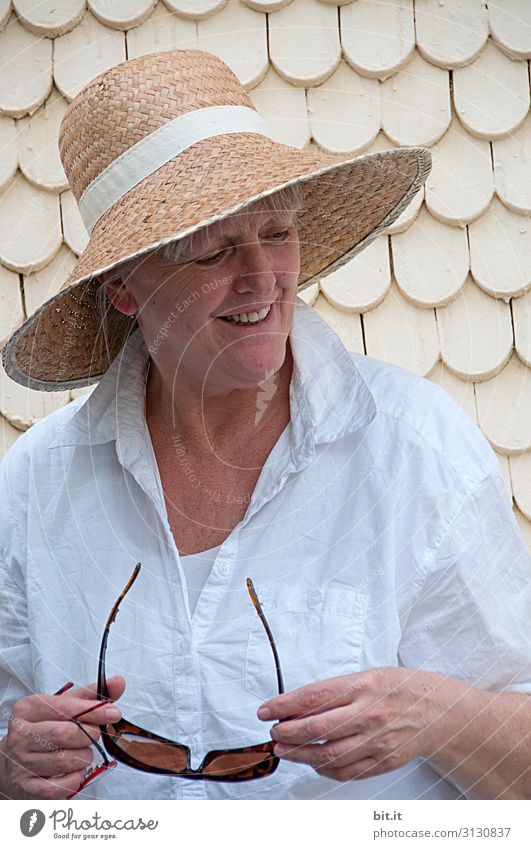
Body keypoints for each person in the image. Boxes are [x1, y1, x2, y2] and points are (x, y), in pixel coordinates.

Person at [0, 48, 530, 802]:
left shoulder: (413, 447)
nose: (261, 278)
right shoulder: (36, 485)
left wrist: (442, 715)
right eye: (214, 249)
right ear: (124, 290)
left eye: (276, 234)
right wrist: (13, 768)